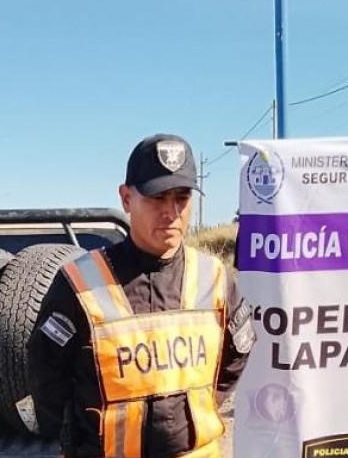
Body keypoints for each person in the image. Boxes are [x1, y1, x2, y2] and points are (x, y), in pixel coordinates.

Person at [28, 133, 255, 458]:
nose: (171, 212)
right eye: (157, 197)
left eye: (182, 197)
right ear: (126, 199)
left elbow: (238, 353)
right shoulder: (80, 284)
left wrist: (202, 407)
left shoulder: (215, 278)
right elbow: (46, 374)